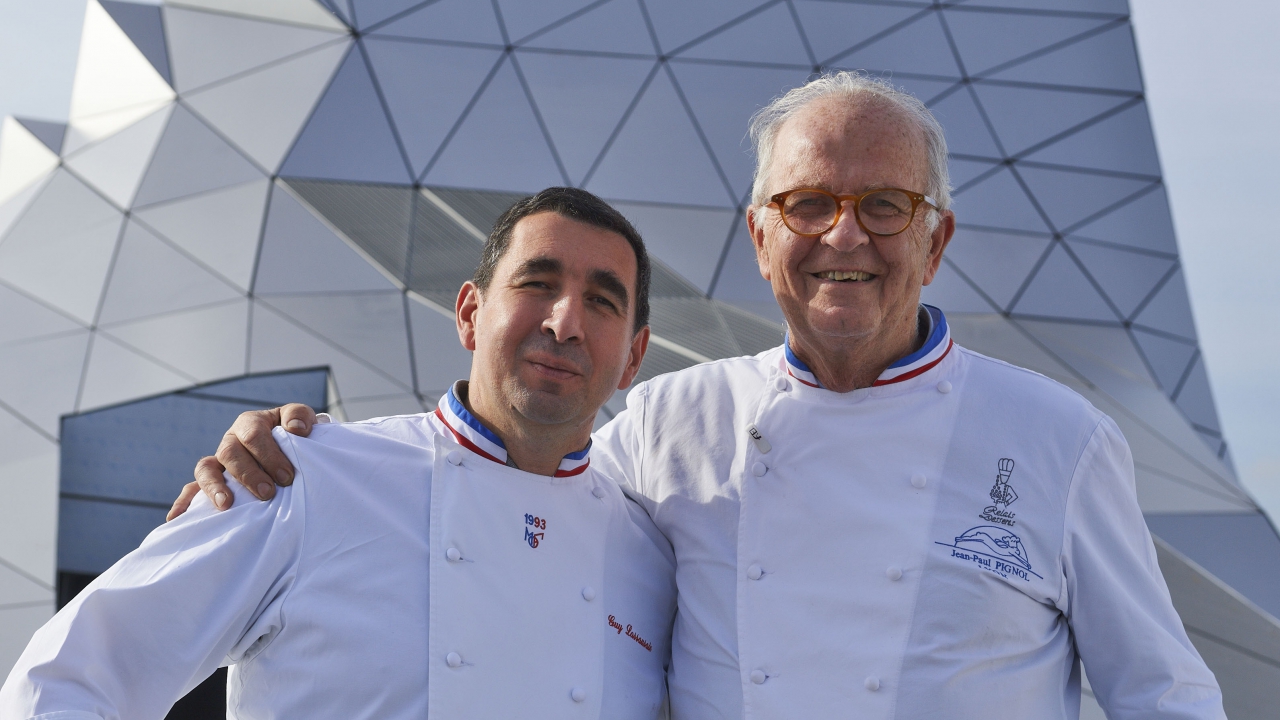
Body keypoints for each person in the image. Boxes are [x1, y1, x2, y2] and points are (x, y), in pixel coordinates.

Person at [174, 73, 1225, 719]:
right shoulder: (671, 421)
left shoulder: (1054, 439)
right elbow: (515, 487)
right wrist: (288, 456)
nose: (843, 236)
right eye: (806, 203)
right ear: (760, 238)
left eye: (884, 206)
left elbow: (1162, 697)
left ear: (935, 239)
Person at [0, 188, 677, 719]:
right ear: (470, 313)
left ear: (633, 359)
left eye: (601, 301)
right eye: (537, 283)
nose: (565, 323)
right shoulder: (302, 475)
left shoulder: (652, 560)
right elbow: (66, 679)